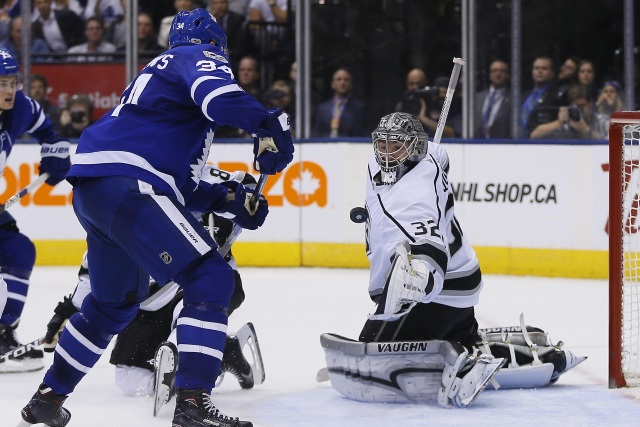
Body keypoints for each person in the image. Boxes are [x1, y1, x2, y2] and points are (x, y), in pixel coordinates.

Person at [19, 8, 293, 427]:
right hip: (131, 185)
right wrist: (267, 124)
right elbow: (220, 100)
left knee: (112, 306)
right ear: (215, 44)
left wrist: (230, 199)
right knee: (211, 278)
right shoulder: (197, 56)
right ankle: (193, 403)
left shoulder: (156, 84)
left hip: (96, 187)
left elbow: (178, 187)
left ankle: (48, 398)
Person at [320, 112, 586, 406]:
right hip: (462, 279)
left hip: (440, 292)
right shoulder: (426, 157)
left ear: (414, 147)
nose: (385, 152)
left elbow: (431, 249)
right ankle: (490, 350)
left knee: (373, 355)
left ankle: (463, 365)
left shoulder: (414, 196)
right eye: (381, 144)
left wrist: (411, 284)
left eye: (394, 145)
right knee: (458, 338)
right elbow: (440, 154)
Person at [42, 167, 265, 411]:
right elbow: (94, 271)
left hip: (203, 283)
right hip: (148, 301)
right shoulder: (125, 193)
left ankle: (191, 363)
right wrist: (69, 311)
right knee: (130, 381)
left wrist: (237, 201)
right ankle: (224, 354)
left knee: (190, 311)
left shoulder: (190, 170)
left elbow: (244, 183)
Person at [0, 48, 71, 373]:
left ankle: (3, 334)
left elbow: (48, 132)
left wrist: (54, 155)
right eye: (1, 83)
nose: (9, 90)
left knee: (18, 252)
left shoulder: (22, 107)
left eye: (12, 81)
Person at [530, 85, 605, 140]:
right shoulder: (566, 125)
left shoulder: (602, 121)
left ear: (590, 103)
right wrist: (559, 122)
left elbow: (612, 143)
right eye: (577, 106)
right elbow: (534, 136)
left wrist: (585, 130)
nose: (580, 110)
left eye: (583, 106)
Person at [519, 55, 567, 138]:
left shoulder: (558, 96)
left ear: (552, 73)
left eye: (544, 68)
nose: (540, 71)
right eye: (536, 68)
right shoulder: (524, 95)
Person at [312, 67, 366, 138]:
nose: (342, 82)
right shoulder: (322, 108)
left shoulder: (359, 108)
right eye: (339, 79)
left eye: (346, 80)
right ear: (332, 84)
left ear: (351, 85)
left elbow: (361, 133)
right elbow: (317, 133)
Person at [474, 59, 511, 139]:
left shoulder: (513, 99)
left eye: (502, 71)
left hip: (501, 143)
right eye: (494, 71)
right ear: (489, 74)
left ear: (507, 75)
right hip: (476, 142)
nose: (498, 74)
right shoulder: (477, 97)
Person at [209, 0, 246, 68]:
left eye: (222, 3)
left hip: (231, 55)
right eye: (216, 3)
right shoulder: (206, 21)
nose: (219, 6)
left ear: (227, 4)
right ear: (211, 6)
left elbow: (239, 45)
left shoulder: (237, 19)